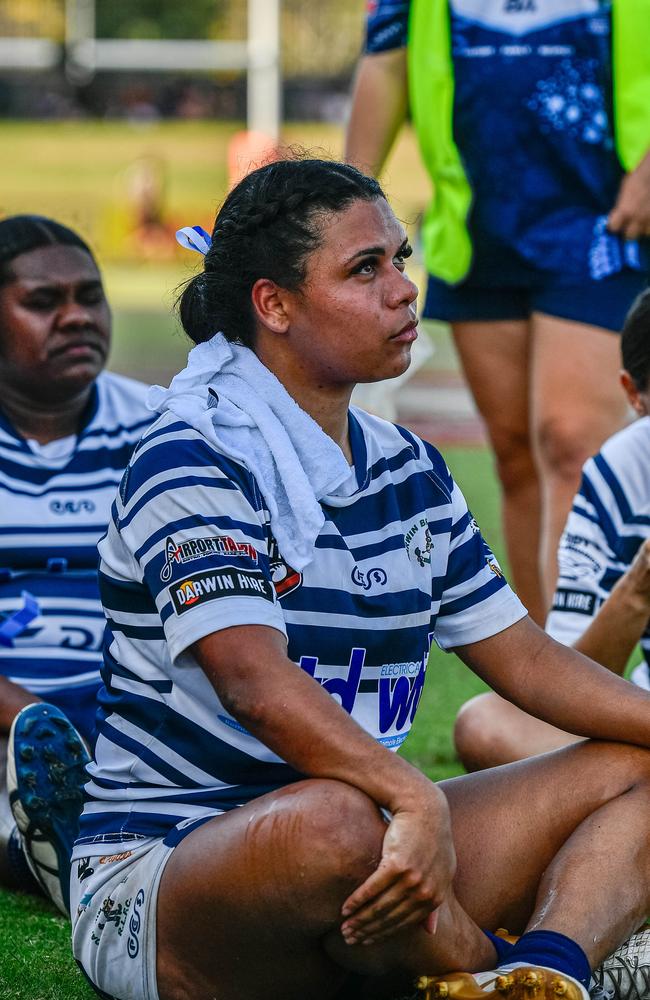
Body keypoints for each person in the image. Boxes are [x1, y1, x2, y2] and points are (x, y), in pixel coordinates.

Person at [12, 158, 649, 1000]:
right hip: (171, 867)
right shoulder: (191, 454)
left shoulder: (409, 468)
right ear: (273, 304)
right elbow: (253, 684)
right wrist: (414, 800)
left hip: (377, 840)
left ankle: (549, 969)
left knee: (634, 760)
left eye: (401, 258)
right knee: (334, 821)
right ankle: (487, 966)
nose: (403, 290)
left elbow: (526, 661)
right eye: (364, 269)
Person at [345, 0, 650, 624]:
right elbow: (387, 64)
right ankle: (552, 688)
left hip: (606, 225)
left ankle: (587, 683)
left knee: (570, 445)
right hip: (482, 230)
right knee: (514, 455)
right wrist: (343, 205)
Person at [0, 214, 154, 915]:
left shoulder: (162, 429)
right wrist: (36, 720)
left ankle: (54, 842)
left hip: (129, 719)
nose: (75, 318)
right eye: (42, 302)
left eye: (89, 297)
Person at [454, 288, 650, 772]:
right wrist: (637, 590)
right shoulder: (620, 472)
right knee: (485, 726)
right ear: (633, 395)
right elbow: (575, 685)